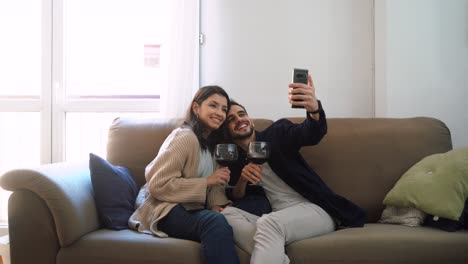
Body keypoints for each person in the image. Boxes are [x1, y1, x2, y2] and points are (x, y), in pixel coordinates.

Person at [221, 73, 366, 264]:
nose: (239, 119)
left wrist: (314, 109)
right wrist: (242, 179)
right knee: (225, 215)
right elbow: (237, 196)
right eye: (231, 119)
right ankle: (277, 256)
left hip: (315, 210)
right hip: (280, 216)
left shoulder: (277, 133)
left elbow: (310, 134)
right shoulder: (235, 159)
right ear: (228, 132)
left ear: (251, 121)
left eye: (242, 114)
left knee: (269, 223)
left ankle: (272, 245)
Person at [129, 85, 239, 264]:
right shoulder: (184, 137)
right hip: (164, 208)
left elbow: (215, 185)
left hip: (191, 208)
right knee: (214, 223)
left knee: (231, 214)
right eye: (213, 105)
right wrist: (206, 182)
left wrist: (216, 205)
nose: (220, 112)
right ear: (196, 108)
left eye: (224, 109)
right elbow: (158, 184)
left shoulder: (213, 146)